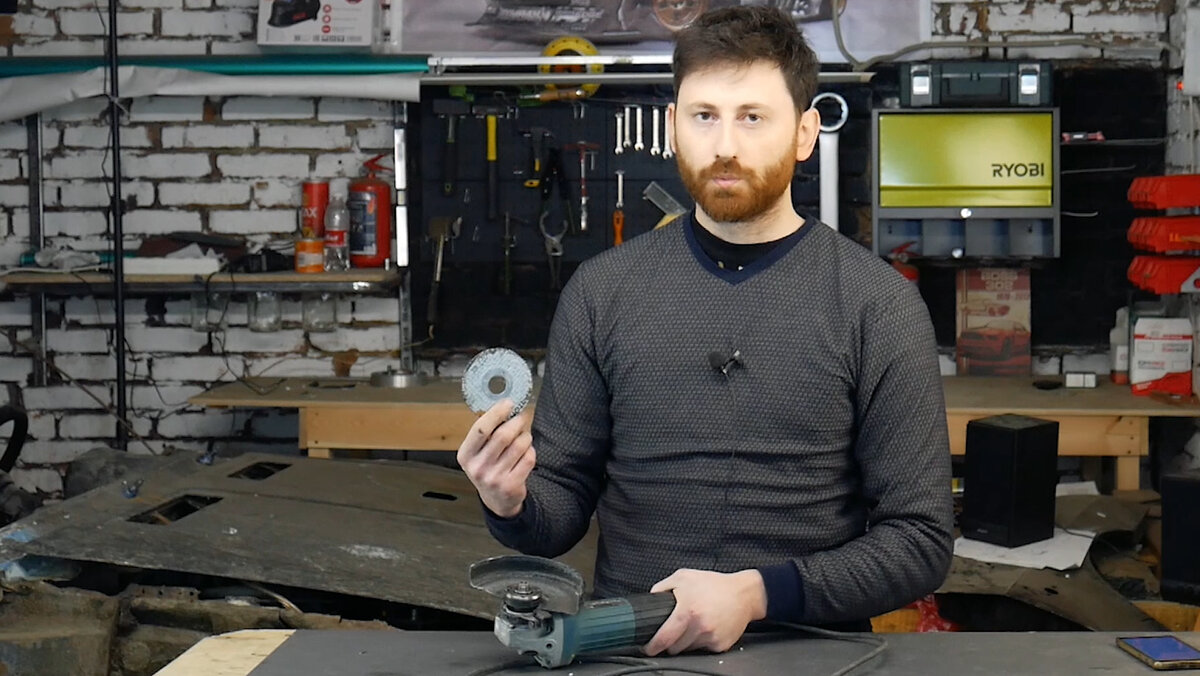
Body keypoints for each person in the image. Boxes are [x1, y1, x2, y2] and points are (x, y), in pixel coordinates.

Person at [456, 5, 953, 658]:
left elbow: (920, 542)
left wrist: (757, 594)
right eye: (704, 116)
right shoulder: (602, 294)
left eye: (753, 117)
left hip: (809, 656)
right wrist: (511, 501)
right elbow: (558, 513)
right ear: (672, 127)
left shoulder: (877, 306)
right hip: (631, 653)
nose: (725, 146)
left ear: (805, 133)